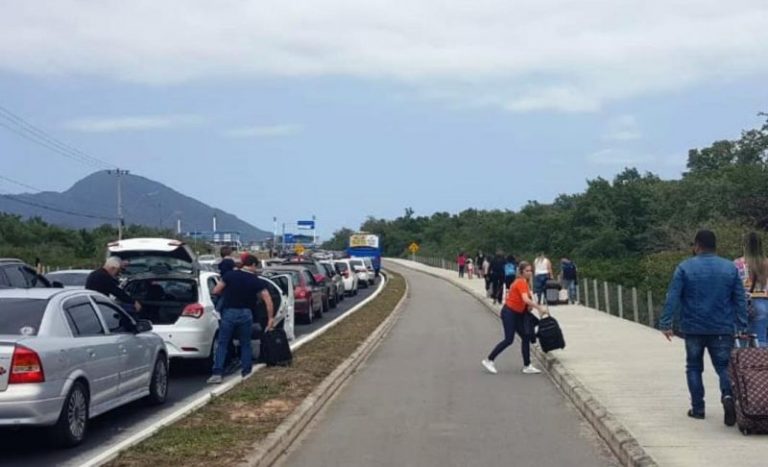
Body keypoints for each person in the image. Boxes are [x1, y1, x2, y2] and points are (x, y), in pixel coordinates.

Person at [659, 230, 747, 426]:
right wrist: (741, 323)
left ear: (697, 245)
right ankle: (728, 397)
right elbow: (740, 298)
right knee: (724, 367)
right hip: (722, 327)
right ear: (715, 246)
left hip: (693, 327)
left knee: (694, 367)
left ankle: (698, 409)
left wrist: (666, 323)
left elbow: (672, 296)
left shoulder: (684, 267)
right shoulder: (729, 268)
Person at [208, 254, 274, 384]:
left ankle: (217, 373)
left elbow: (216, 290)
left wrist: (226, 294)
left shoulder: (229, 276)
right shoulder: (255, 280)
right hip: (246, 314)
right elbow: (268, 299)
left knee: (223, 343)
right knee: (245, 343)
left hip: (229, 312)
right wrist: (270, 318)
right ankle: (246, 371)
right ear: (253, 265)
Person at [482, 261, 548, 375]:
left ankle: (527, 365)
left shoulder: (525, 283)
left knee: (526, 337)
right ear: (521, 272)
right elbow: (526, 299)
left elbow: (525, 303)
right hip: (509, 313)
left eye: (531, 270)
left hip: (518, 313)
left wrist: (530, 308)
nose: (530, 273)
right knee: (509, 339)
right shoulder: (520, 282)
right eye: (527, 271)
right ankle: (489, 360)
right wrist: (539, 308)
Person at [734, 232, 768, 347]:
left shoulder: (737, 264)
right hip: (763, 303)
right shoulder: (766, 263)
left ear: (745, 246)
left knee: (742, 340)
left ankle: (743, 364)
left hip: (742, 304)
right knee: (761, 341)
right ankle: (761, 364)